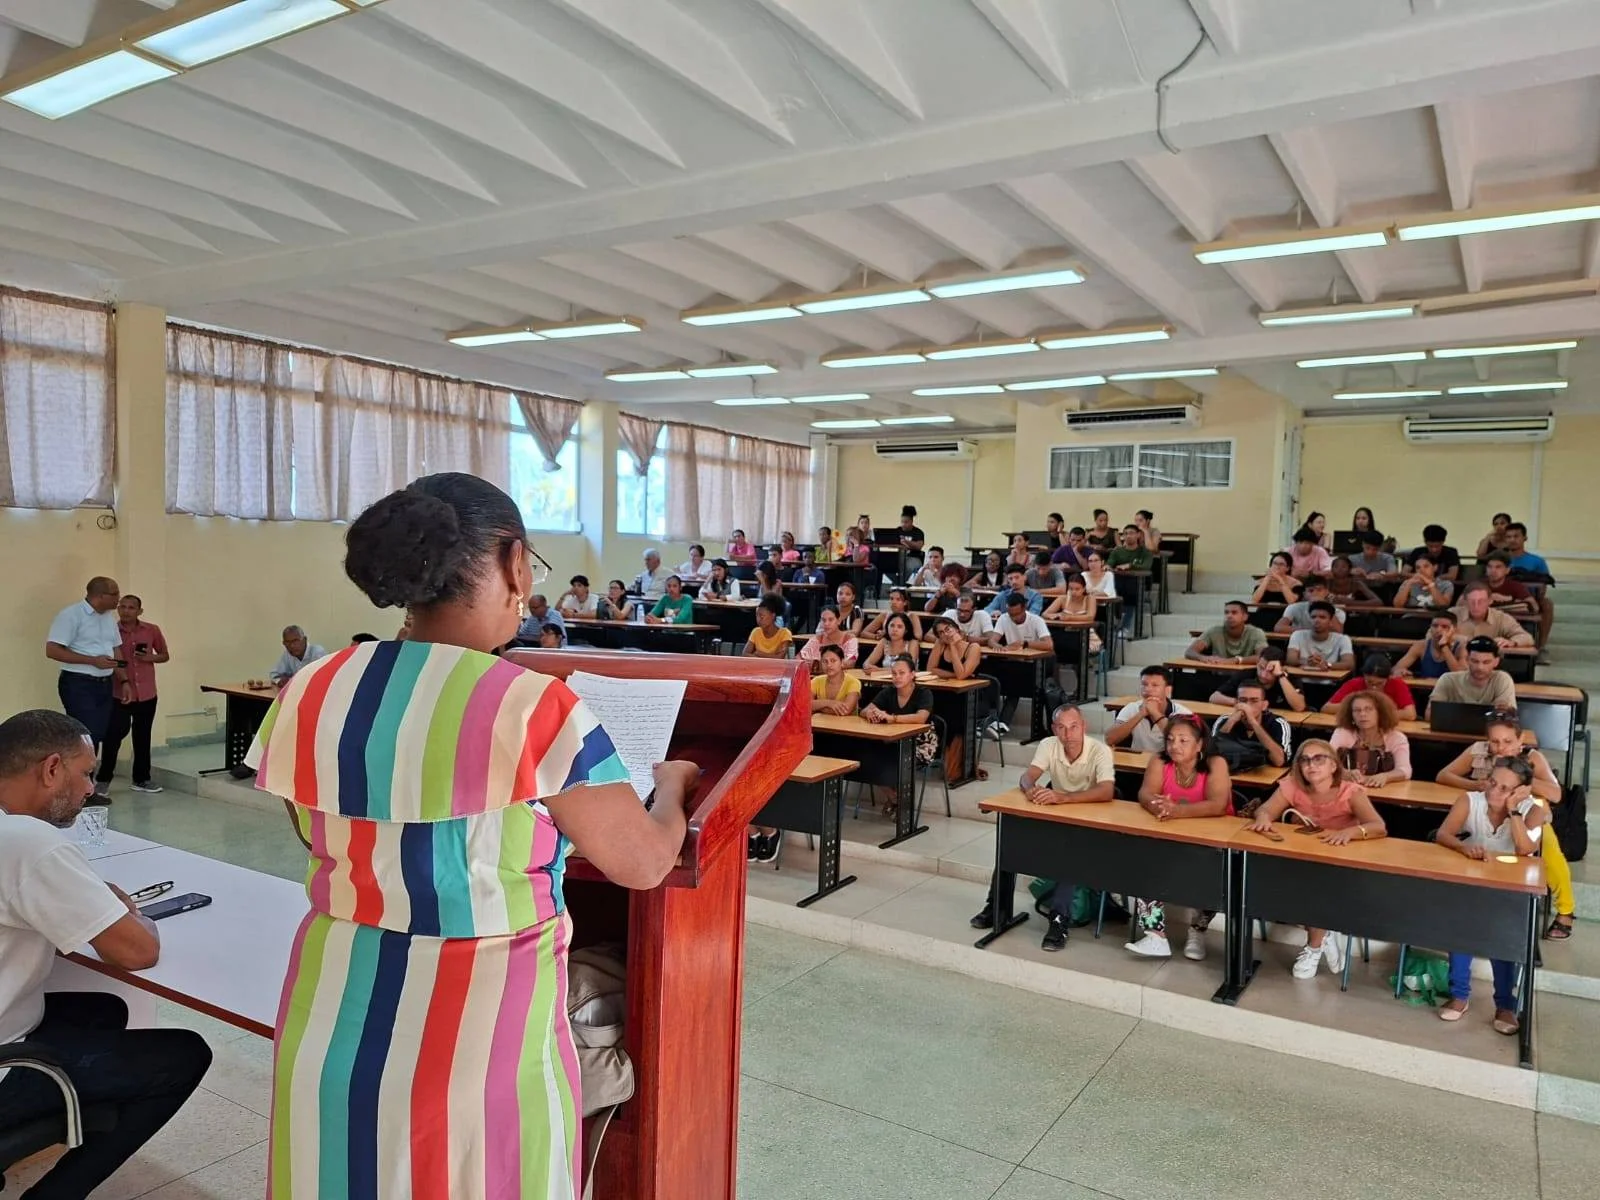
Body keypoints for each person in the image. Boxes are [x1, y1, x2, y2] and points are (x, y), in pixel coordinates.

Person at [248, 473, 703, 1199]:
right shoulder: (531, 706)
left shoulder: (312, 686)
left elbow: (317, 835)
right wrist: (673, 785)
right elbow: (644, 863)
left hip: (333, 1010)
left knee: (344, 1173)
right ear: (516, 563)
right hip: (477, 1029)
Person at [0, 709, 213, 1197]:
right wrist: (127, 911)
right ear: (51, 769)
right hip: (4, 1058)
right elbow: (136, 951)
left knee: (104, 1011)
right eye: (85, 773)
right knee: (184, 1054)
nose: (90, 789)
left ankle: (64, 1112)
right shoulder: (27, 841)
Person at [969, 704, 1114, 951]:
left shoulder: (1099, 750)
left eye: (1074, 727)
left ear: (1084, 727)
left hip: (1090, 824)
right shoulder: (1049, 745)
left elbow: (1107, 791)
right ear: (1054, 729)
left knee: (1071, 857)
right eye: (1062, 728)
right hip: (1058, 818)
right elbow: (1027, 777)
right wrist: (1030, 790)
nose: (1068, 734)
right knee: (1009, 846)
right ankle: (997, 908)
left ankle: (1059, 921)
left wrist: (1064, 798)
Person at [1246, 740, 1387, 978]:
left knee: (1315, 886)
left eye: (1319, 759)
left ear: (1333, 765)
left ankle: (1314, 945)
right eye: (1305, 760)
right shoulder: (1292, 786)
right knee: (1275, 884)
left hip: (1339, 863)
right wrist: (1263, 817)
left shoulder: (1350, 791)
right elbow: (1266, 809)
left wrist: (1349, 832)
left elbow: (1378, 826)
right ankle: (1324, 933)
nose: (1311, 765)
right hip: (1301, 859)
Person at [1437, 712, 1574, 940]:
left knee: (1548, 850)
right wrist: (1474, 784)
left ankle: (1565, 910)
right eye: (1495, 741)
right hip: (1486, 809)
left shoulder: (1533, 757)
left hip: (1527, 813)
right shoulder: (1478, 751)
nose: (1501, 747)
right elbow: (1444, 775)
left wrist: (1520, 778)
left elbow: (1556, 794)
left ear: (1520, 740)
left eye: (1508, 741)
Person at [1433, 757, 1544, 1033]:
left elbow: (1525, 849)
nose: (1494, 791)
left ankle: (1505, 1004)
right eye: (1492, 782)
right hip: (1472, 885)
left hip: (1511, 893)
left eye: (1505, 788)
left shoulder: (1534, 810)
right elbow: (1443, 834)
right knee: (1462, 927)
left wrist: (1513, 810)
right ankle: (1459, 995)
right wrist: (1462, 847)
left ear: (1521, 791)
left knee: (1503, 934)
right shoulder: (1470, 800)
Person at [1127, 716, 1234, 960]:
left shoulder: (1216, 763)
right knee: (1145, 862)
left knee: (1214, 873)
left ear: (1199, 744)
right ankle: (1155, 935)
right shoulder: (1159, 760)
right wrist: (1158, 806)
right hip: (1171, 836)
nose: (1174, 745)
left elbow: (1217, 805)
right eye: (1170, 739)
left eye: (1183, 740)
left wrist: (1177, 811)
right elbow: (1145, 793)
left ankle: (1198, 929)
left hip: (1212, 840)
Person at [44, 576, 121, 789]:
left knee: (100, 734)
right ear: (100, 596)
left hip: (105, 683)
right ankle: (79, 788)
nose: (119, 598)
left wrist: (124, 680)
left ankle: (86, 786)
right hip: (79, 684)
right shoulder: (71, 615)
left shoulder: (108, 618)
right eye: (115, 594)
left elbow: (116, 649)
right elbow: (52, 650)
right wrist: (92, 661)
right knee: (86, 736)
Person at [98, 594, 169, 795]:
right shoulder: (111, 631)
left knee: (143, 737)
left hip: (146, 693)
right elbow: (108, 658)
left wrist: (149, 657)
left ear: (139, 611)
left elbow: (164, 655)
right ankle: (103, 780)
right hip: (119, 693)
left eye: (131, 608)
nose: (126, 611)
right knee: (113, 737)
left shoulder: (151, 630)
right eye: (123, 607)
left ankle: (141, 779)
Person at [861, 655, 935, 817]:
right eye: (894, 673)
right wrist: (870, 714)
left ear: (912, 674)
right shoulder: (888, 692)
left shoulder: (924, 693)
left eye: (902, 673)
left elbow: (921, 718)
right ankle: (895, 798)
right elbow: (865, 710)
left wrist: (892, 718)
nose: (897, 677)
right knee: (866, 758)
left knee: (890, 761)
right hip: (891, 741)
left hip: (919, 744)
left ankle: (900, 804)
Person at [1328, 689, 1412, 788]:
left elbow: (1405, 770)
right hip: (1348, 789)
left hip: (1383, 791)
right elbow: (1326, 760)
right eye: (1357, 710)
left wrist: (1386, 777)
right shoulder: (1342, 733)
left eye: (1368, 709)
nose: (1362, 714)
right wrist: (1344, 773)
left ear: (1380, 713)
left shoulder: (1396, 737)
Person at [1106, 665, 1190, 753]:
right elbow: (1109, 739)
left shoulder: (1182, 713)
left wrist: (1155, 713)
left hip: (1169, 759)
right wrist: (1141, 714)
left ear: (1168, 690)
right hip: (1137, 759)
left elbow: (1181, 744)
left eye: (1155, 685)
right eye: (1144, 684)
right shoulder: (1132, 708)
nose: (1148, 689)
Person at [1210, 679, 1292, 769]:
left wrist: (1253, 722)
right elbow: (1211, 753)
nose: (1247, 705)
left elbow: (1279, 761)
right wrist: (1231, 721)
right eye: (1243, 700)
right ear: (1236, 703)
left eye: (1254, 701)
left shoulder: (1278, 723)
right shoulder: (1225, 720)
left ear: (1264, 705)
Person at [1501, 521, 1555, 655]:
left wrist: (1531, 599)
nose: (1512, 540)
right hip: (1503, 599)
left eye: (1516, 536)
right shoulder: (1499, 559)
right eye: (1508, 537)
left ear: (1524, 538)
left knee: (1547, 604)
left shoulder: (1537, 561)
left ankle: (1541, 646)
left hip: (1529, 599)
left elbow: (1543, 586)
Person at [1323, 653, 1418, 721]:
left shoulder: (1397, 684)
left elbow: (1410, 714)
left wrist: (1376, 712)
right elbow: (1327, 708)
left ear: (1388, 678)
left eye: (1379, 683)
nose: (1374, 688)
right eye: (1369, 682)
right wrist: (1357, 708)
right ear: (1364, 675)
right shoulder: (1354, 683)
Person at [1432, 636, 1518, 710]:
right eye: (1475, 661)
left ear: (1496, 662)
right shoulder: (1448, 680)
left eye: (1486, 662)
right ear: (1467, 660)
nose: (1480, 667)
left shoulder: (1502, 679)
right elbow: (1430, 713)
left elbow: (1507, 715)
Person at [1209, 646, 1306, 712]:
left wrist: (1280, 676)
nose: (1263, 675)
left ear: (1282, 668)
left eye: (1270, 671)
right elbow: (1214, 697)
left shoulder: (1290, 679)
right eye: (1261, 667)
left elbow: (1300, 707)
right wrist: (1241, 702)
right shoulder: (1246, 674)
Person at [1452, 581, 1535, 648]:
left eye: (1481, 601)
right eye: (1471, 601)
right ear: (1465, 601)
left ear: (1490, 601)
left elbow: (1527, 637)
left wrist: (1511, 642)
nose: (1476, 606)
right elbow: (1443, 635)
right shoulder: (1453, 614)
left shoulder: (1500, 617)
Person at [1185, 601, 1267, 666]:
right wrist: (1202, 658)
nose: (1229, 616)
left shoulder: (1256, 633)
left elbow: (1263, 657)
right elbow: (1189, 651)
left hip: (1245, 678)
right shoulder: (1214, 631)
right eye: (1226, 612)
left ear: (1245, 617)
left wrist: (1235, 660)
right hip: (1217, 676)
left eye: (1234, 612)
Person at [1394, 611, 1467, 679]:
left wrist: (1444, 646)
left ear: (1454, 630)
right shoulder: (1421, 645)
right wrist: (1401, 672)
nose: (1438, 630)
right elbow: (1395, 669)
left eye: (1444, 627)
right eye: (1435, 626)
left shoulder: (1461, 649)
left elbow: (1460, 677)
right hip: (1424, 688)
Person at [1286, 602, 1355, 671]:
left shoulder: (1343, 639)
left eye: (1322, 617)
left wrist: (1327, 664)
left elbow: (1349, 664)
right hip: (1302, 676)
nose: (1317, 620)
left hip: (1331, 677)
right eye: (1313, 617)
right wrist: (1307, 661)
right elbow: (1290, 659)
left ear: (1331, 621)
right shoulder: (1297, 635)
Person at [798, 605, 859, 672]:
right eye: (823, 620)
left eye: (831, 620)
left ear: (839, 621)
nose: (826, 624)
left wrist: (817, 665)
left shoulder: (849, 639)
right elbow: (799, 660)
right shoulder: (816, 640)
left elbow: (851, 662)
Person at [1273, 577, 1345, 633]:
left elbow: (1338, 631)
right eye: (1311, 591)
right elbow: (1278, 628)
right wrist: (1312, 631)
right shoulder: (1294, 607)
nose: (1315, 593)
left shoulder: (1337, 611)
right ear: (1304, 594)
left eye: (1319, 590)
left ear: (1326, 592)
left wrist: (1326, 607)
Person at [808, 643, 861, 716]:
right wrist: (829, 703)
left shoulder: (853, 682)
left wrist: (817, 707)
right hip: (821, 722)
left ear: (842, 662)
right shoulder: (816, 681)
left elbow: (845, 711)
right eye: (825, 661)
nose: (829, 665)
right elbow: (806, 705)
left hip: (846, 723)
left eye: (833, 661)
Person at [926, 616, 983, 684]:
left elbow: (961, 675)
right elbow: (930, 670)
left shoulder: (973, 647)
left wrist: (952, 646)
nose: (946, 634)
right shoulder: (940, 643)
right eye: (941, 632)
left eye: (947, 629)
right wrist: (954, 675)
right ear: (940, 637)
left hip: (966, 688)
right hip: (943, 685)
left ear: (956, 629)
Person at [896, 505, 925, 573]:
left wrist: (905, 541)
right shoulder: (898, 530)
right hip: (900, 557)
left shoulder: (918, 532)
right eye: (902, 522)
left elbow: (919, 546)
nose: (903, 524)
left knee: (907, 566)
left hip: (914, 557)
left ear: (911, 521)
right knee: (887, 565)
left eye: (906, 522)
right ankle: (899, 580)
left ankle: (904, 580)